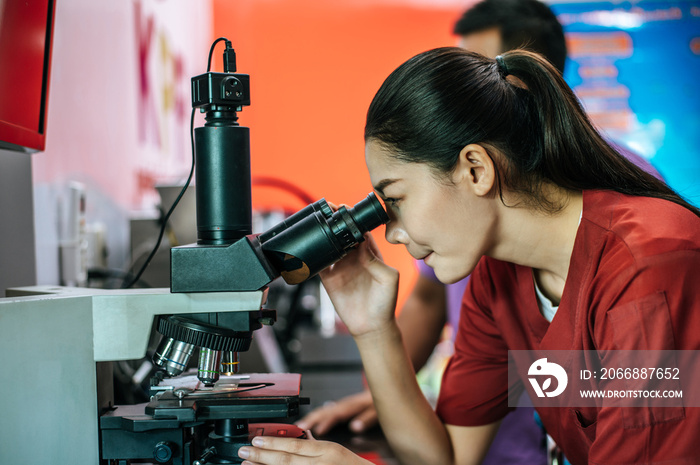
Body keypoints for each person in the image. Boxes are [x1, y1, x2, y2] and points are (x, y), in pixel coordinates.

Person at [237, 46, 700, 465]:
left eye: (395, 199)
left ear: (475, 169)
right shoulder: (497, 277)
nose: (393, 234)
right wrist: (373, 328)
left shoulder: (650, 265)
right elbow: (448, 458)